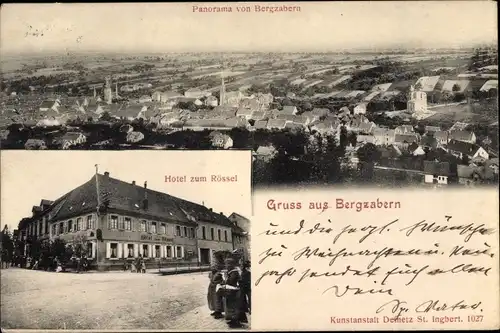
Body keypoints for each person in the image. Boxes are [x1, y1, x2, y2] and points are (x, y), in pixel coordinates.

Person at [223, 257, 245, 328]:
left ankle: (236, 322)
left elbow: (230, 282)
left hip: (234, 292)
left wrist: (226, 277)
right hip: (231, 292)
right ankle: (232, 320)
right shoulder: (231, 272)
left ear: (231, 265)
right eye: (225, 264)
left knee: (234, 307)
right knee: (230, 307)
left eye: (227, 264)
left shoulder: (234, 272)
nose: (226, 266)